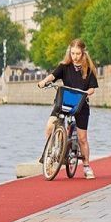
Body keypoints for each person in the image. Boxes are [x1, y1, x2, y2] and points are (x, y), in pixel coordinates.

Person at [38, 39, 99, 180]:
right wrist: (44, 81)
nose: (75, 56)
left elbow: (92, 88)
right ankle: (53, 150)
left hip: (81, 104)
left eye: (78, 53)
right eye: (72, 53)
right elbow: (53, 75)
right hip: (64, 101)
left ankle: (86, 166)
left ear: (83, 53)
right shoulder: (64, 66)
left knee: (82, 138)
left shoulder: (88, 69)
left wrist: (87, 92)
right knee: (49, 126)